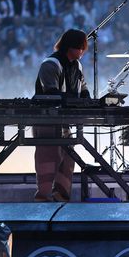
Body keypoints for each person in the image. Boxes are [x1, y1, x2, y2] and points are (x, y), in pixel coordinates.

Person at [33, 28, 90, 201]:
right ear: (69, 47)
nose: (81, 51)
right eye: (78, 47)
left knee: (67, 158)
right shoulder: (50, 64)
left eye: (83, 48)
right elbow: (51, 93)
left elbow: (83, 88)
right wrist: (76, 101)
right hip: (47, 120)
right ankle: (43, 197)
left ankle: (61, 197)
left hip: (64, 120)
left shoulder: (77, 66)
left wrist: (88, 100)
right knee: (48, 158)